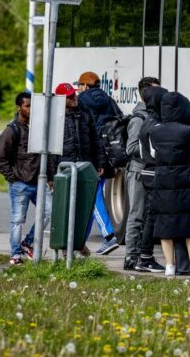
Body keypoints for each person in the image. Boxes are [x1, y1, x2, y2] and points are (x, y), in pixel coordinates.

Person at [143, 91, 190, 276]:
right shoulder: (187, 132)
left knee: (165, 226)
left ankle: (169, 266)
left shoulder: (155, 131)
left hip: (163, 184)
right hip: (185, 183)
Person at [0, 92, 52, 265]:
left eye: (33, 105)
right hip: (20, 184)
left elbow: (46, 155)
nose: (31, 109)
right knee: (18, 220)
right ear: (19, 107)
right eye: (27, 105)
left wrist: (49, 177)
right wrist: (13, 178)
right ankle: (15, 255)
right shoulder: (11, 131)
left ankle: (27, 243)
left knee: (49, 211)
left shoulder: (39, 128)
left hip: (40, 182)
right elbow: (1, 160)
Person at [54, 82, 106, 256]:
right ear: (61, 99)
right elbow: (48, 147)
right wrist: (50, 174)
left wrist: (99, 163)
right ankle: (64, 248)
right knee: (65, 208)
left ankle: (79, 242)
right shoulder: (55, 116)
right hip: (64, 168)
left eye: (74, 95)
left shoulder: (84, 113)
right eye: (69, 97)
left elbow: (95, 139)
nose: (74, 98)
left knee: (84, 208)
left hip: (84, 165)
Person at [74, 71, 122, 256]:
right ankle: (80, 243)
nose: (78, 89)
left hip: (92, 156)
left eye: (79, 85)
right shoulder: (109, 100)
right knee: (91, 198)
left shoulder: (82, 101)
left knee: (93, 198)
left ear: (85, 86)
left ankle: (108, 236)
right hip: (109, 154)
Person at [123, 77, 166, 273]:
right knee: (137, 215)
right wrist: (152, 151)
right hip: (139, 171)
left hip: (149, 171)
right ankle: (131, 256)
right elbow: (130, 147)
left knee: (147, 216)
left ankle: (142, 254)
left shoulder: (153, 115)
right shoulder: (138, 119)